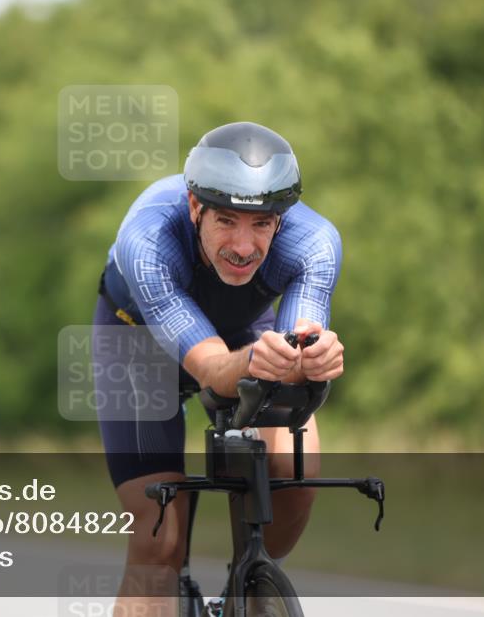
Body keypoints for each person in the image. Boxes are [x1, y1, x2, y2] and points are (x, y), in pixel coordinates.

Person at [93, 122, 344, 609]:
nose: (244, 246)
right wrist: (262, 359)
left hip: (243, 333)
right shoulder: (148, 240)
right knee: (158, 540)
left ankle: (245, 586)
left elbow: (296, 352)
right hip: (139, 344)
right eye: (226, 221)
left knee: (296, 469)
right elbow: (211, 368)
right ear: (195, 208)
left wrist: (315, 358)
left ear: (282, 219)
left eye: (261, 224)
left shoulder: (314, 242)